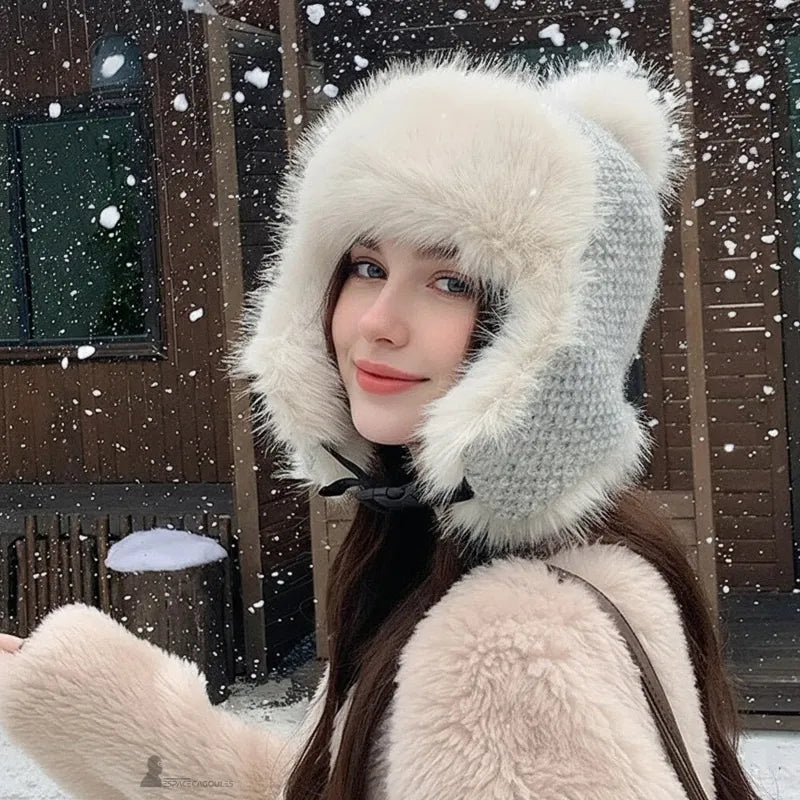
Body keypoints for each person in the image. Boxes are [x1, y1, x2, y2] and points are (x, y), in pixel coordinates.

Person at [0, 50, 760, 800]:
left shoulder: (511, 650)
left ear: (552, 344)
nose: (377, 322)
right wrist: (95, 704)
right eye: (367, 266)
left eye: (450, 280)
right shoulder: (473, 566)